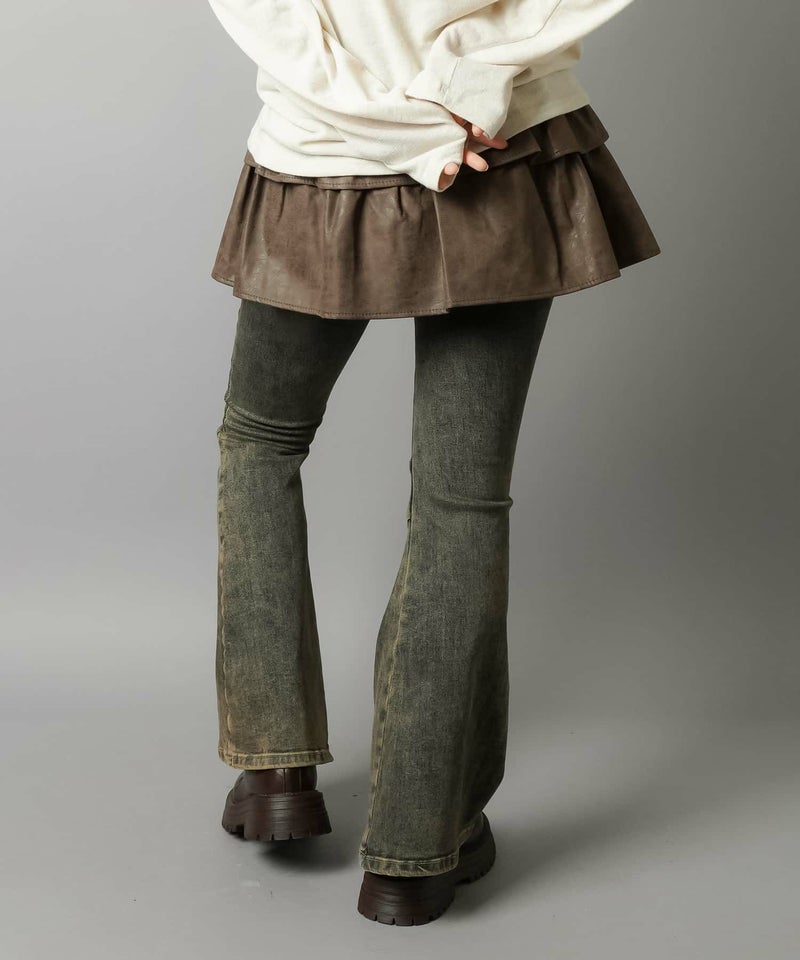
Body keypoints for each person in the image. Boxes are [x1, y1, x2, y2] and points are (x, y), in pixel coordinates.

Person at [207, 0, 660, 926]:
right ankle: (419, 848)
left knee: (261, 442)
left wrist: (380, 119)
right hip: (501, 144)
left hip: (324, 148)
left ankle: (275, 769)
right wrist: (461, 82)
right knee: (462, 497)